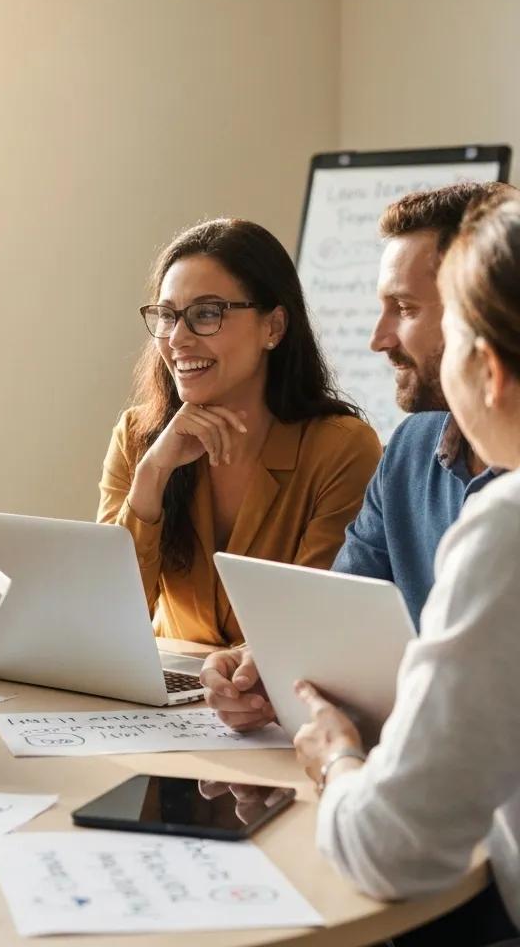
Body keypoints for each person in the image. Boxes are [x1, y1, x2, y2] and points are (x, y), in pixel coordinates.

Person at [292, 183, 520, 945]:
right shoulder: (411, 454)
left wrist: (336, 760)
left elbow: (389, 849)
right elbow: (347, 617)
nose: (379, 339)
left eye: (426, 318)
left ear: (486, 365)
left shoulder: (509, 526)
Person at [201, 181, 511, 730]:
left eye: (405, 309)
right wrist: (268, 668)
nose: (378, 338)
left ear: (476, 316)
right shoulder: (408, 451)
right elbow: (335, 623)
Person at [98, 218, 381, 645]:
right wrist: (153, 473)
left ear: (274, 327)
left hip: (274, 699)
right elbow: (104, 613)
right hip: (163, 703)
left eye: (207, 314)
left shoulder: (341, 448)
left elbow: (314, 623)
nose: (177, 339)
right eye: (168, 316)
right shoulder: (138, 436)